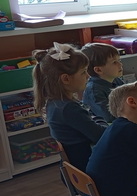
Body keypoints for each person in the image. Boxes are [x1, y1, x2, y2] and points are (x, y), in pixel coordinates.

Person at [32, 42, 107, 171]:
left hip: (78, 168)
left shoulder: (55, 103)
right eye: (83, 72)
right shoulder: (68, 108)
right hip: (90, 168)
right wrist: (102, 120)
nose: (88, 76)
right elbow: (100, 135)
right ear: (66, 79)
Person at [81, 42, 125, 123]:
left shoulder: (116, 80)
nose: (120, 64)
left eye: (119, 60)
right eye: (114, 62)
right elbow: (108, 117)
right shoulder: (93, 90)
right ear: (98, 70)